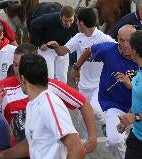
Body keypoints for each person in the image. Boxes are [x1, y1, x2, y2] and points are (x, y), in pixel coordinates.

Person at [0, 43, 97, 159]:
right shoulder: (32, 105)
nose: (15, 71)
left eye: (18, 66)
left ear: (23, 78)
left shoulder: (49, 103)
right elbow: (30, 143)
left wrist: (92, 137)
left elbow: (77, 149)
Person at [71, 24, 138, 159]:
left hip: (138, 105)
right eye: (122, 40)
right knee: (114, 140)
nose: (125, 45)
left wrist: (131, 85)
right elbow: (90, 50)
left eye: (129, 41)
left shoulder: (139, 55)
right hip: (115, 104)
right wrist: (76, 67)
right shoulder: (109, 50)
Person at [47, 8, 115, 138]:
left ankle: (110, 124)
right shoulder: (78, 37)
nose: (76, 24)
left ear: (82, 23)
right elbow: (62, 52)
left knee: (95, 110)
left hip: (99, 85)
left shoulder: (104, 38)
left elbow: (119, 50)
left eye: (77, 21)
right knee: (82, 118)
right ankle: (87, 142)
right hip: (83, 86)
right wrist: (56, 46)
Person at [115, 30, 142, 159]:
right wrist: (127, 120)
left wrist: (134, 117)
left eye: (129, 45)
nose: (125, 47)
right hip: (137, 138)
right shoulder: (139, 69)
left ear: (136, 50)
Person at [29, 6, 78, 83]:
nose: (68, 24)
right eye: (65, 21)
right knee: (49, 77)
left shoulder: (76, 22)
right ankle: (48, 93)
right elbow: (32, 25)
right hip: (47, 50)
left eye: (70, 20)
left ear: (74, 17)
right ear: (60, 17)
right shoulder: (49, 19)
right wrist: (40, 43)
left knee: (62, 78)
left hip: (63, 48)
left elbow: (78, 36)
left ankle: (59, 94)